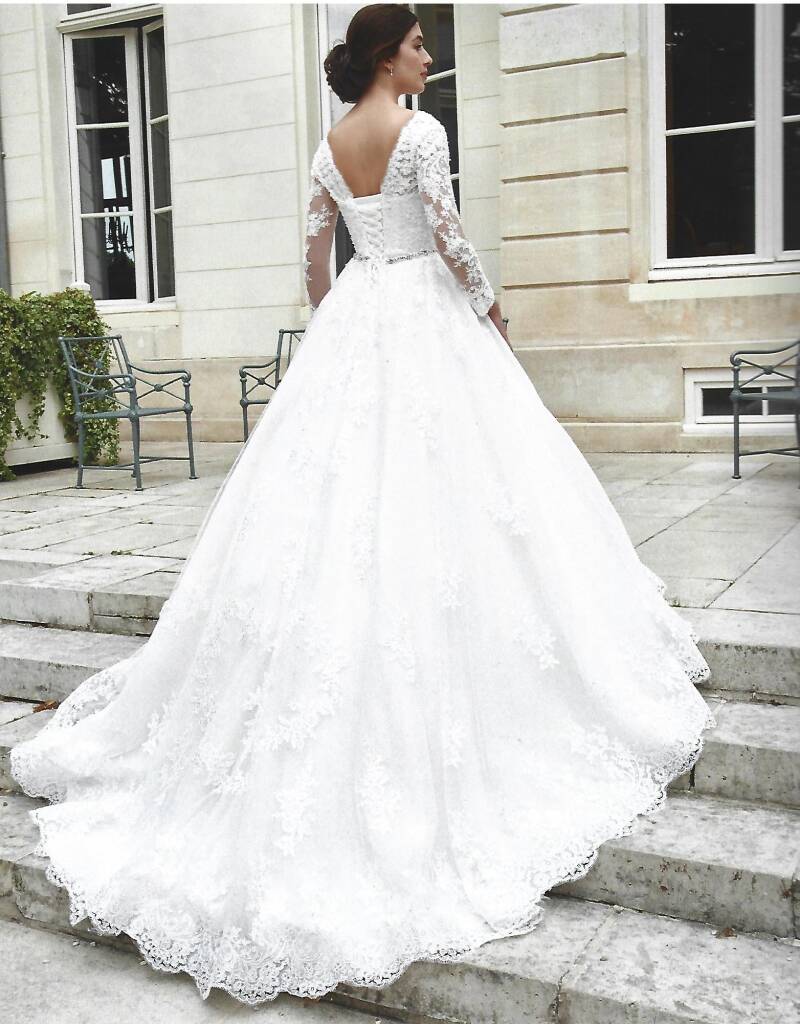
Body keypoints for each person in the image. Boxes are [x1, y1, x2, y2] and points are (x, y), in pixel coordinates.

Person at [10, 2, 716, 1008]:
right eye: (420, 44)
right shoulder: (421, 131)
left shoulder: (328, 144)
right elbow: (450, 237)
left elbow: (314, 262)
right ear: (390, 57)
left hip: (358, 315)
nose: (429, 55)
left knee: (337, 504)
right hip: (423, 308)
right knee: (466, 485)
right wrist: (487, 305)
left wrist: (339, 324)